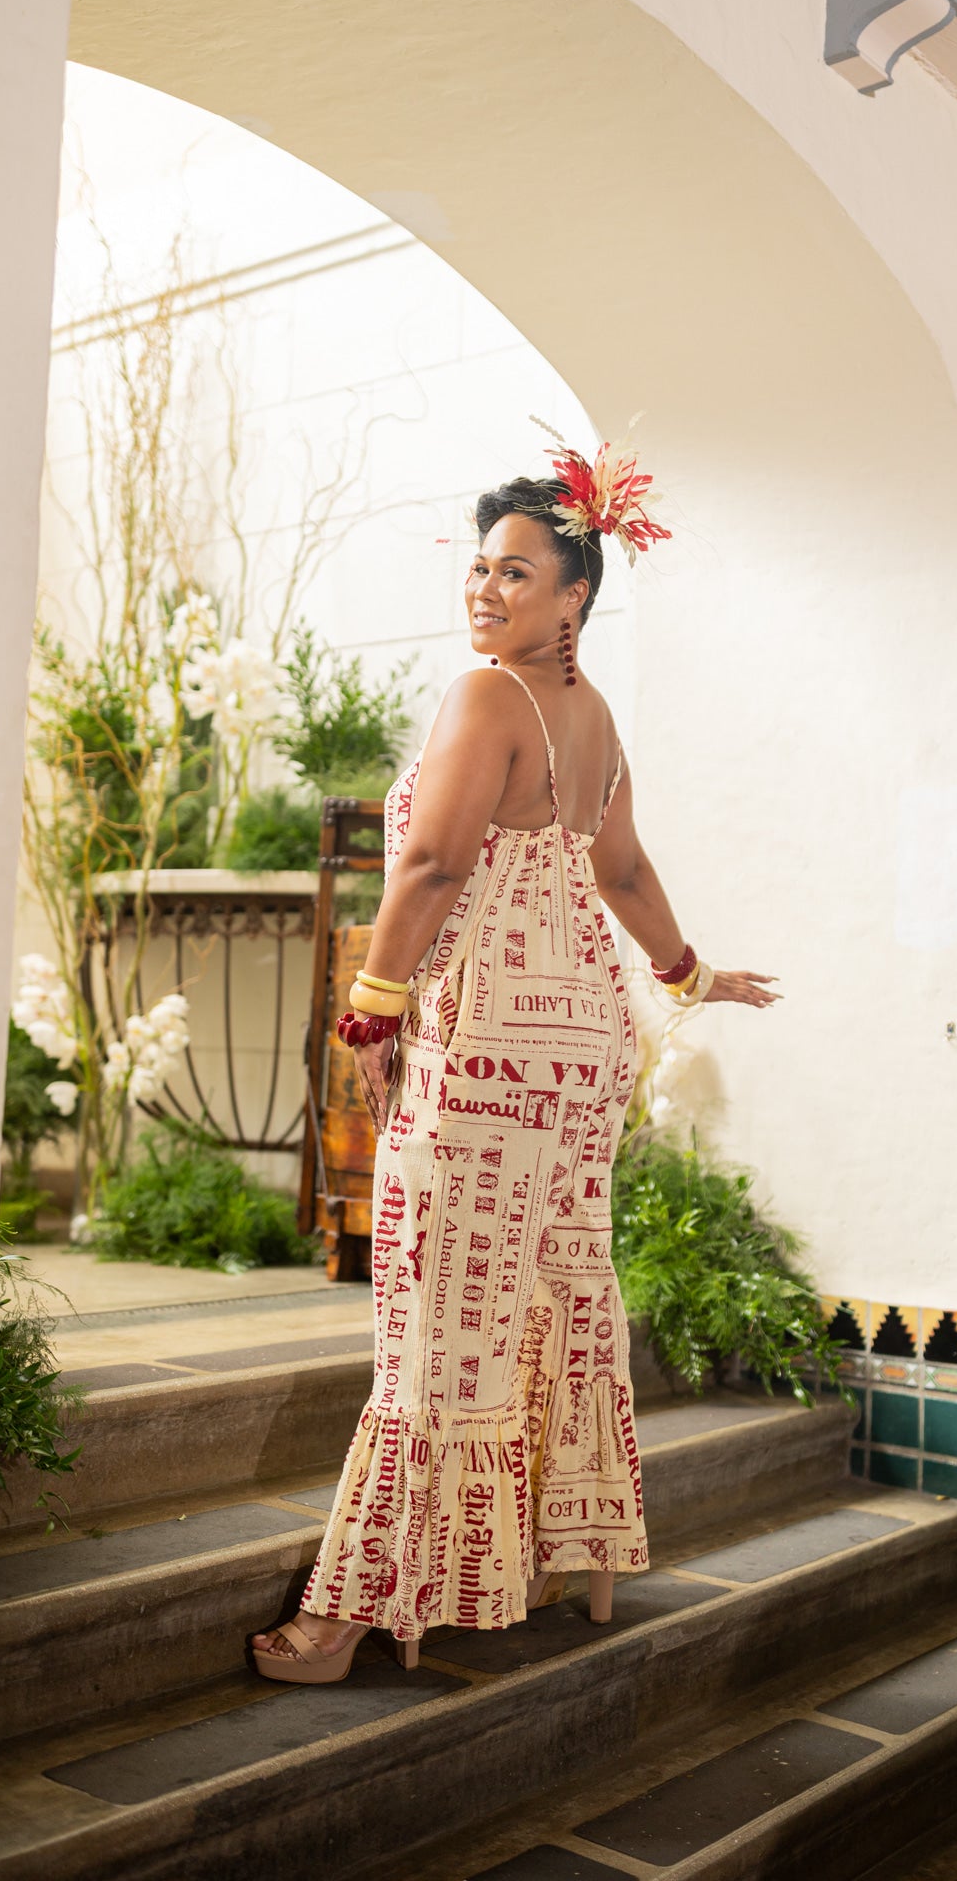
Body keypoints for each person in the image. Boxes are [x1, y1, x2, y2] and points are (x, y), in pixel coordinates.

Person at [252, 427, 779, 1682]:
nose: (486, 588)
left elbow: (436, 863)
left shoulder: (487, 695)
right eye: (481, 566)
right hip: (581, 1045)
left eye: (517, 571)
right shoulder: (591, 715)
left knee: (436, 1312)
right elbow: (622, 870)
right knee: (552, 1291)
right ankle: (556, 1559)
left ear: (574, 595)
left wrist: (371, 1007)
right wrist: (687, 974)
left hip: (484, 1037)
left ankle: (350, 1613)